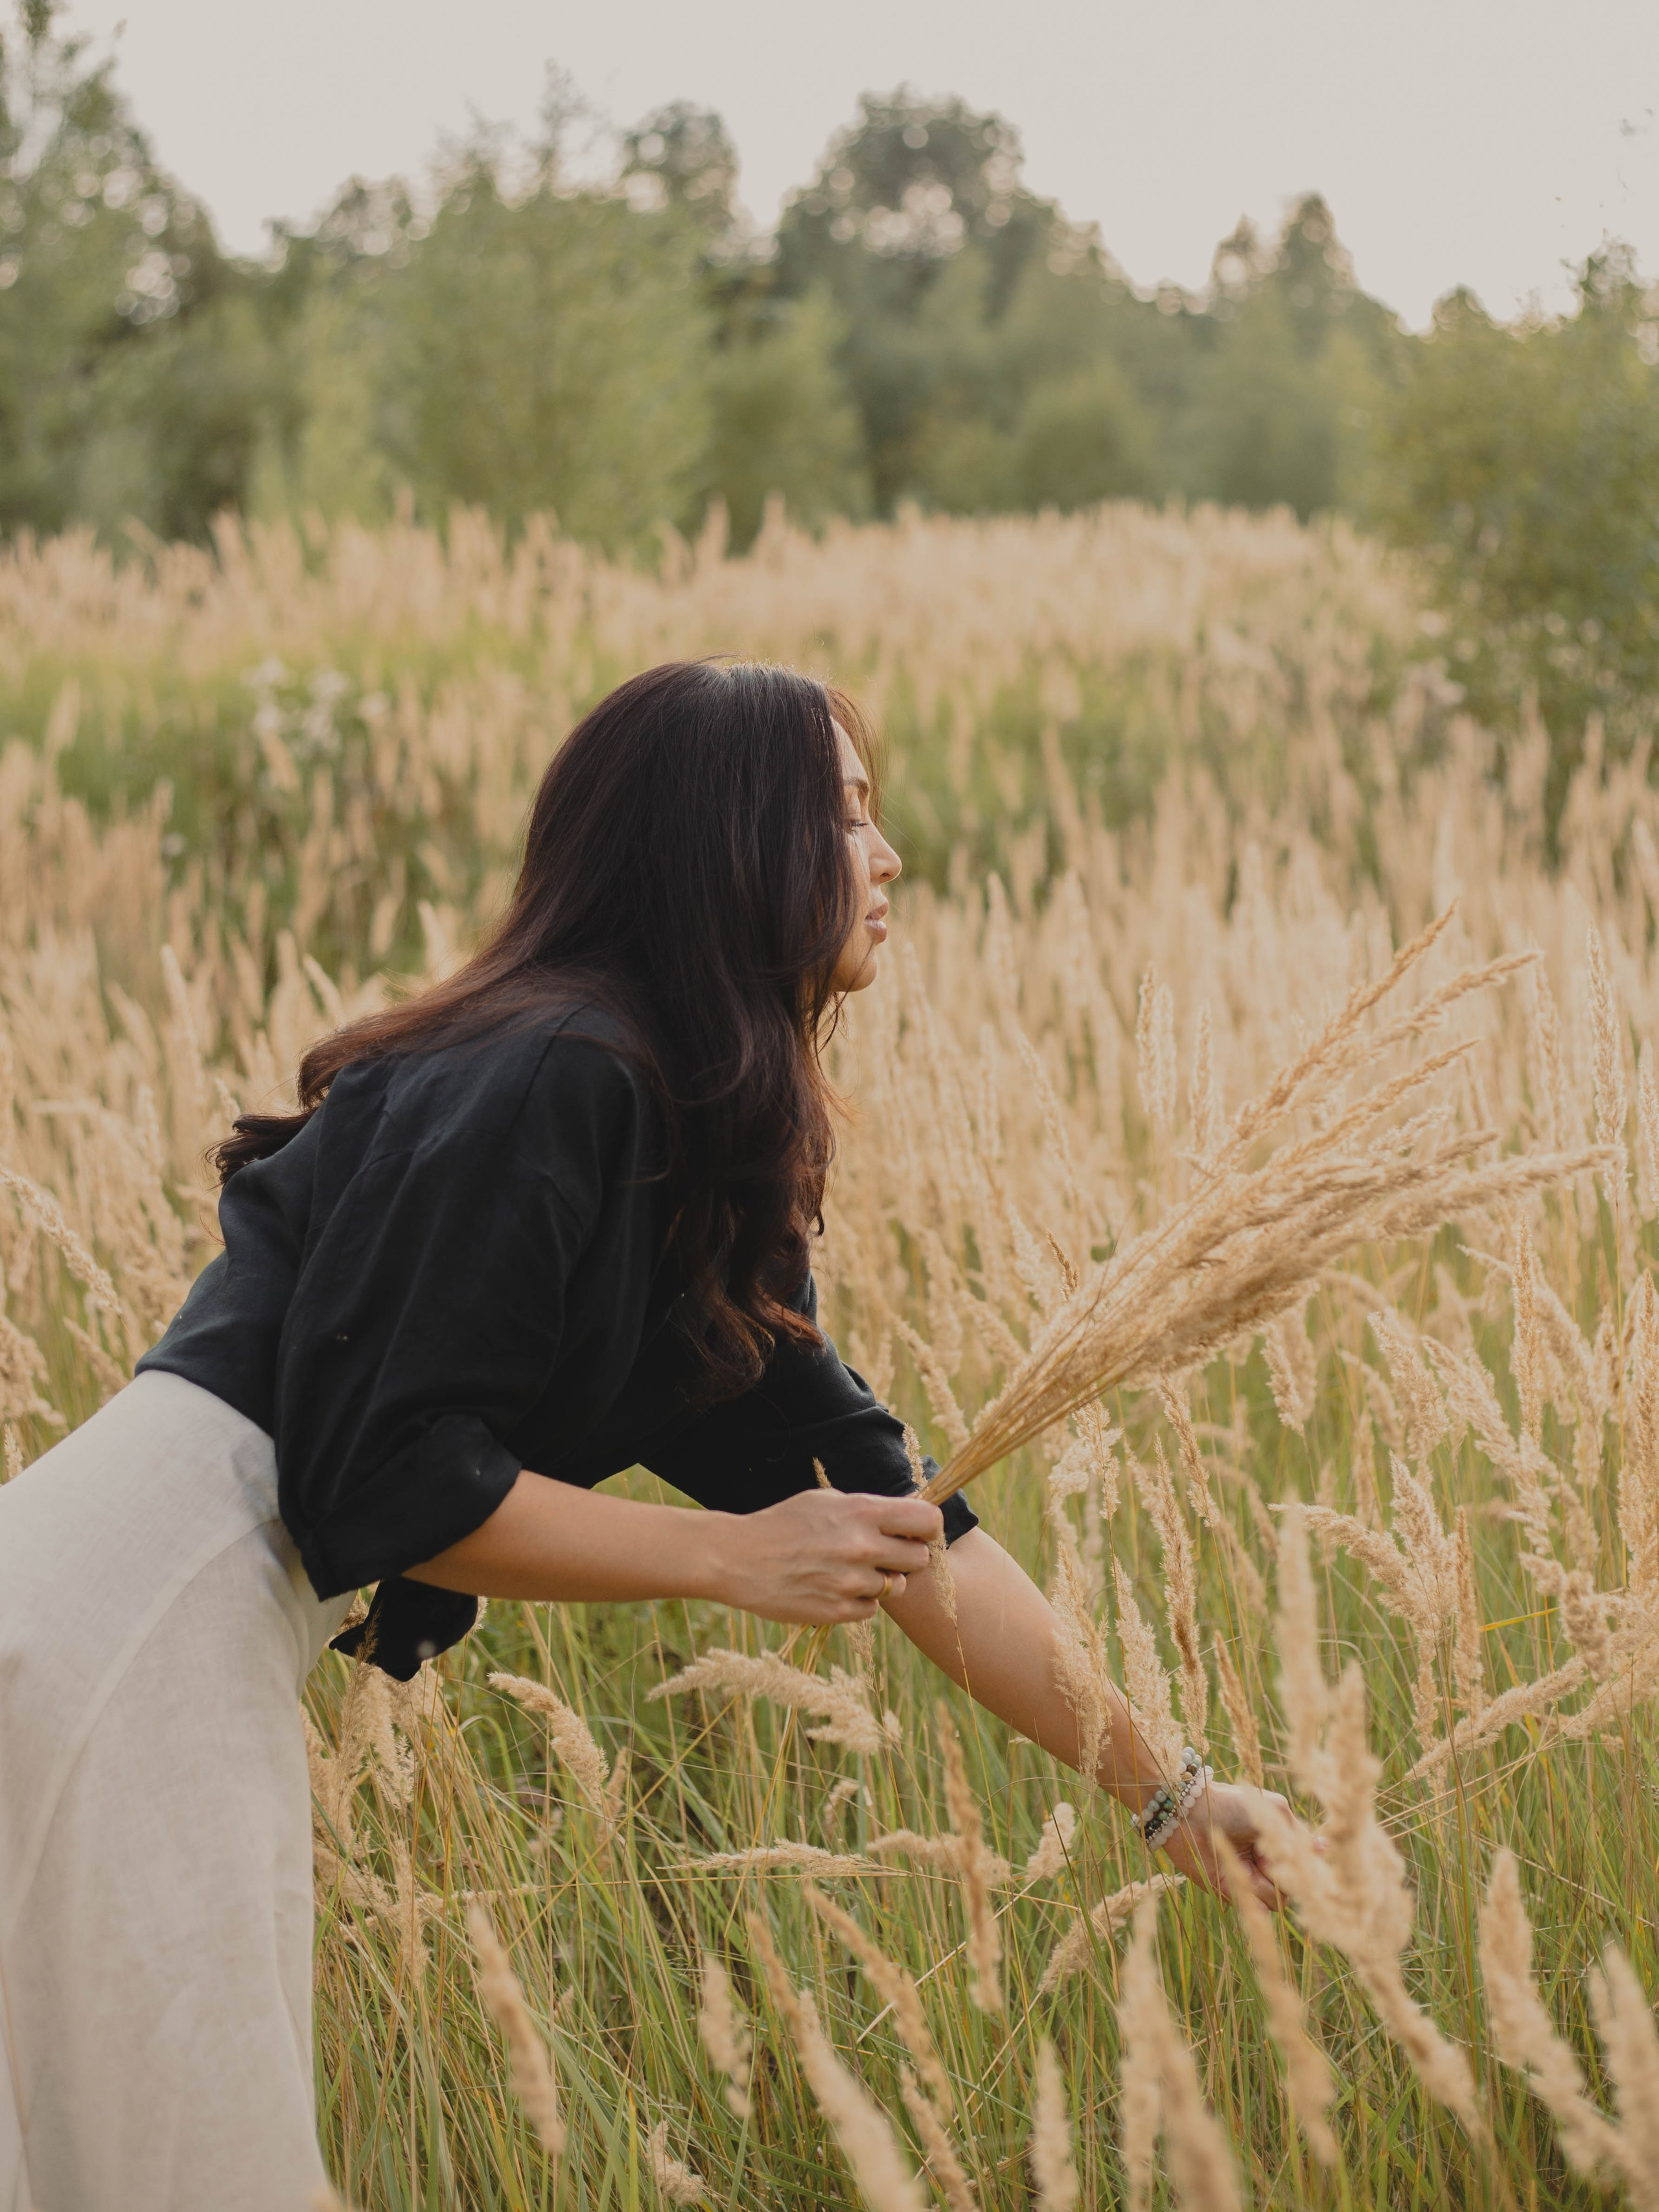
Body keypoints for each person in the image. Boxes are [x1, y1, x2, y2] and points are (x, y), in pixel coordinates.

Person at [0, 660, 1288, 2211]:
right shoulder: (555, 1075)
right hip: (130, 1627)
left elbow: (905, 1524)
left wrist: (1167, 1794)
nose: (887, 857)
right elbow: (382, 1478)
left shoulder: (673, 1134)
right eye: (845, 815)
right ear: (731, 842)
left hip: (160, 1622)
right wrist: (725, 1556)